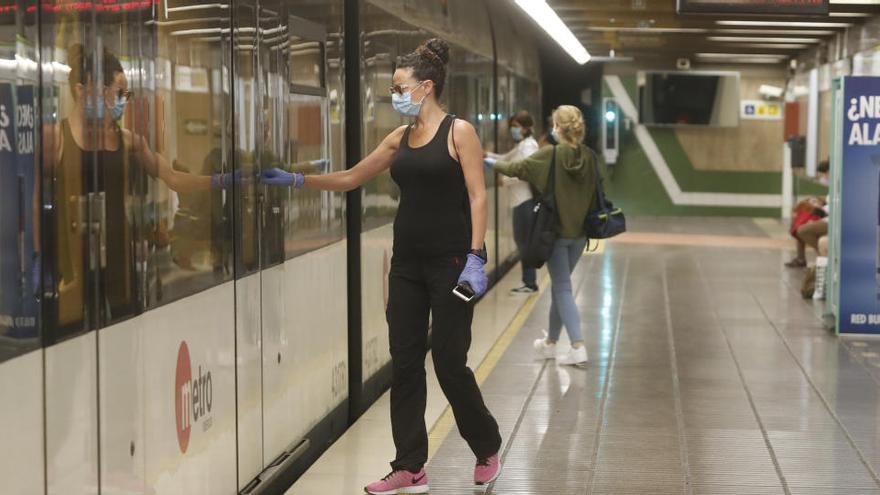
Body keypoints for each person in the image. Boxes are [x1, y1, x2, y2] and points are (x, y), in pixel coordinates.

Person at [262, 38, 503, 494]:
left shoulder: (459, 132)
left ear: (425, 86)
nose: (394, 94)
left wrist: (476, 256)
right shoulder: (399, 138)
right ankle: (410, 466)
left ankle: (486, 445)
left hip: (453, 263)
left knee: (450, 364)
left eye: (399, 86)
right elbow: (353, 177)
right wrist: (297, 178)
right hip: (408, 265)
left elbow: (478, 194)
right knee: (406, 363)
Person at [40, 44, 233, 327]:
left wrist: (220, 180)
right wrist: (39, 258)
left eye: (126, 95)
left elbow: (173, 178)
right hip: (73, 267)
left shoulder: (129, 141)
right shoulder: (55, 139)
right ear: (85, 91)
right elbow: (35, 201)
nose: (123, 102)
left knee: (123, 338)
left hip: (120, 266)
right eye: (118, 94)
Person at [488, 105, 598, 366]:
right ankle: (550, 344)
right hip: (580, 234)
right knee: (562, 287)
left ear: (558, 127)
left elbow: (517, 169)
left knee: (561, 287)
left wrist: (486, 160)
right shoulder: (589, 156)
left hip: (556, 232)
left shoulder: (551, 153)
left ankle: (578, 346)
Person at [485, 111, 540, 294]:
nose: (513, 130)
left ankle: (530, 282)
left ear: (526, 128)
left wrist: (504, 180)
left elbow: (526, 172)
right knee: (522, 241)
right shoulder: (522, 145)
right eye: (512, 126)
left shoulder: (529, 147)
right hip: (519, 201)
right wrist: (487, 155)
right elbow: (505, 159)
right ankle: (528, 281)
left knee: (524, 242)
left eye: (517, 126)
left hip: (525, 200)